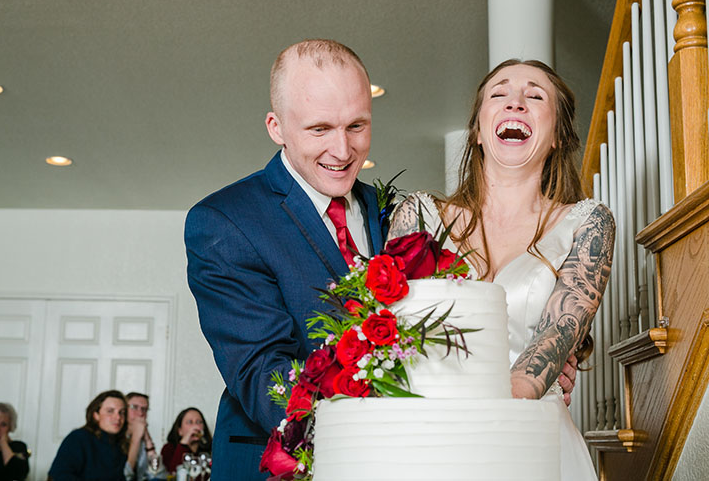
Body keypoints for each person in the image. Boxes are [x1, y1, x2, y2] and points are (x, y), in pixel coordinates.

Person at [388, 59, 614, 481]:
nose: (516, 103)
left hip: (529, 439)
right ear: (477, 130)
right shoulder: (417, 215)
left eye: (534, 95)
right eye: (499, 94)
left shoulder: (588, 223)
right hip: (428, 436)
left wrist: (485, 434)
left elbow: (554, 338)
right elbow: (390, 329)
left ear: (559, 136)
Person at [185, 39, 385, 480]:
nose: (343, 150)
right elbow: (264, 376)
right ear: (276, 127)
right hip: (283, 464)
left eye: (356, 126)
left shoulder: (395, 213)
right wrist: (384, 431)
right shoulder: (223, 221)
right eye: (319, 129)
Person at [48, 390, 128, 481]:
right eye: (110, 411)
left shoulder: (121, 444)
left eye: (122, 412)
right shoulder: (78, 438)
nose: (118, 417)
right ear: (96, 415)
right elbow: (59, 475)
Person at [161, 408, 212, 473]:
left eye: (199, 422)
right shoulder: (168, 449)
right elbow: (174, 473)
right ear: (180, 431)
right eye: (189, 422)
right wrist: (183, 443)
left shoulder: (210, 450)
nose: (195, 426)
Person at [124, 392, 156, 480]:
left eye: (144, 409)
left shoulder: (143, 441)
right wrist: (136, 438)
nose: (140, 413)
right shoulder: (114, 437)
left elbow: (156, 474)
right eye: (134, 407)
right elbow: (125, 475)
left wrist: (147, 439)